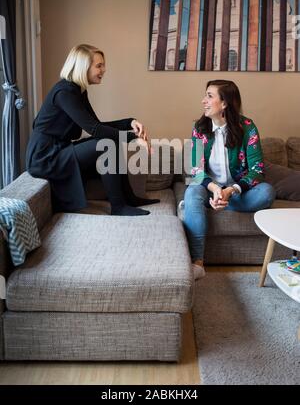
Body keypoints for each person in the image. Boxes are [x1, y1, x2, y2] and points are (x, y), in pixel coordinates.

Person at [26, 44, 159, 215]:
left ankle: (129, 199)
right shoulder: (64, 92)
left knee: (109, 140)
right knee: (107, 143)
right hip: (45, 157)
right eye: (99, 65)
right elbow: (96, 130)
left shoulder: (78, 91)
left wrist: (130, 122)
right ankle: (118, 207)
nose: (104, 69)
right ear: (83, 66)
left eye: (103, 65)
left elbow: (97, 125)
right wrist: (133, 138)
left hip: (59, 150)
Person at [183, 80, 276, 280]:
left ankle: (213, 205)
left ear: (224, 103)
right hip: (208, 186)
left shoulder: (248, 127)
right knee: (191, 192)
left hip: (236, 191)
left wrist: (230, 191)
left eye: (209, 96)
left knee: (267, 192)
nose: (203, 101)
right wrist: (216, 189)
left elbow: (257, 171)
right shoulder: (199, 128)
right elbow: (197, 171)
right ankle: (198, 262)